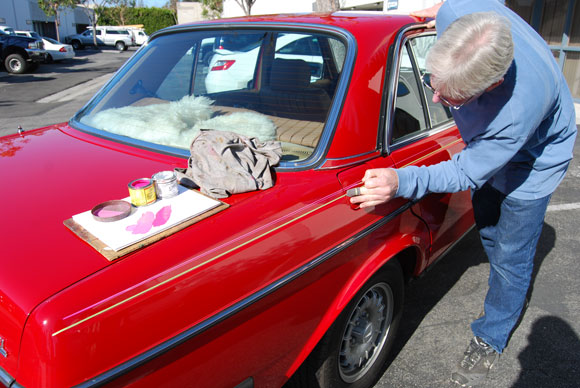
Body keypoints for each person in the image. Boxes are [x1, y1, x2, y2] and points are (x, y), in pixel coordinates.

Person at [350, 0, 577, 386]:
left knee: (511, 254)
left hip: (533, 162)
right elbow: (446, 4)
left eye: (452, 97)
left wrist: (400, 181)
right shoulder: (460, 13)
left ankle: (492, 335)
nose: (437, 100)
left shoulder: (516, 111)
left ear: (492, 86)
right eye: (430, 83)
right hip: (493, 143)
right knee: (487, 219)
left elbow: (465, 170)